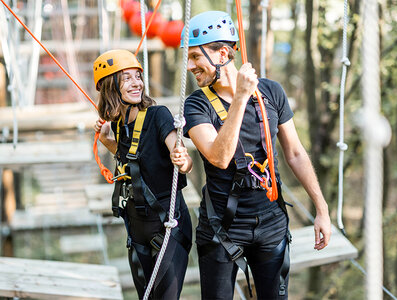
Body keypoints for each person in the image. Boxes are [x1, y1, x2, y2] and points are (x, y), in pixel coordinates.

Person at [181, 11, 332, 299]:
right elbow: (219, 157)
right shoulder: (196, 105)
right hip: (222, 226)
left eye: (196, 57)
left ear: (222, 53)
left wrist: (321, 209)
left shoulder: (271, 92)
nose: (190, 66)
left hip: (271, 220)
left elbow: (296, 153)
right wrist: (239, 98)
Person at [93, 49, 193, 299]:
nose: (136, 82)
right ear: (110, 87)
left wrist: (182, 159)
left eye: (138, 76)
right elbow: (136, 166)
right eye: (126, 78)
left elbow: (180, 153)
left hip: (167, 222)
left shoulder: (158, 115)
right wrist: (109, 143)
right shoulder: (117, 124)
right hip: (137, 225)